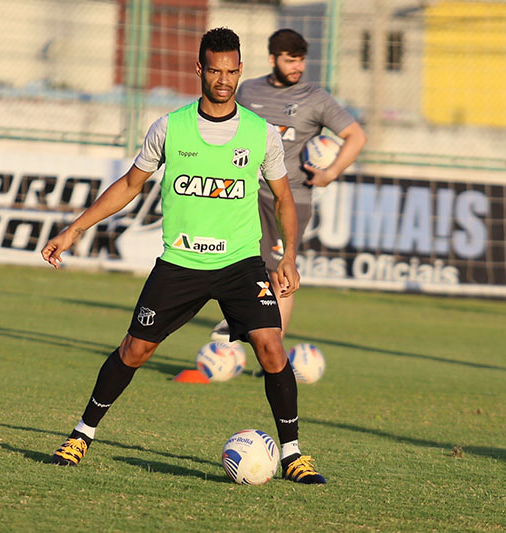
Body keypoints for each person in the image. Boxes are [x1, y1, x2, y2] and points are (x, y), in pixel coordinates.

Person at [42, 27, 326, 484]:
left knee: (272, 347)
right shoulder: (170, 127)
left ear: (239, 71)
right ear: (199, 69)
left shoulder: (260, 133)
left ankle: (293, 454)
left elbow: (284, 198)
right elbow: (131, 185)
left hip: (240, 264)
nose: (224, 80)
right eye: (215, 70)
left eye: (232, 71)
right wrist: (76, 228)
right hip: (181, 263)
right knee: (135, 350)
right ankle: (81, 434)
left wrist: (288, 255)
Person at [211, 28, 367, 349]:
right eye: (290, 61)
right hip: (246, 196)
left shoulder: (315, 99)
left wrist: (331, 172)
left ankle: (273, 354)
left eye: (301, 61)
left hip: (291, 201)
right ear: (273, 59)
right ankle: (244, 318)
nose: (297, 67)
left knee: (280, 274)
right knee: (230, 264)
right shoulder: (249, 90)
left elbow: (357, 136)